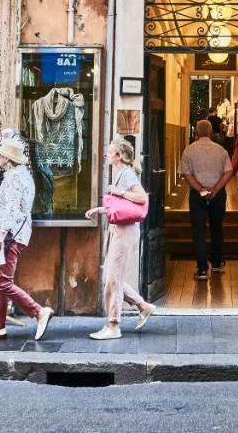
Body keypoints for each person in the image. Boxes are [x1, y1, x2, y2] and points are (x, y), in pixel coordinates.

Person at [0, 135, 52, 341]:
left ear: (8, 158)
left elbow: (12, 209)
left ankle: (38, 312)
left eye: (0, 154)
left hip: (9, 234)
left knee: (4, 283)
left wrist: (1, 235)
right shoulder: (18, 174)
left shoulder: (15, 177)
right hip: (9, 232)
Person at [84, 138, 156, 340]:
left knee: (113, 280)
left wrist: (119, 191)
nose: (107, 154)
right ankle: (143, 306)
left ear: (119, 156)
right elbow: (119, 206)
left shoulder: (126, 174)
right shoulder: (121, 173)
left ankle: (114, 325)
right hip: (120, 229)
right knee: (111, 276)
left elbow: (142, 198)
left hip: (125, 231)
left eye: (110, 152)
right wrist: (100, 210)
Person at [181, 119, 235, 281]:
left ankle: (202, 269)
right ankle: (217, 263)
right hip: (217, 195)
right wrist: (216, 189)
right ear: (211, 132)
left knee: (199, 231)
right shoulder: (221, 151)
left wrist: (200, 189)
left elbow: (187, 174)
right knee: (216, 228)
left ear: (196, 132)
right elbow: (228, 172)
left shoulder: (189, 151)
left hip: (197, 196)